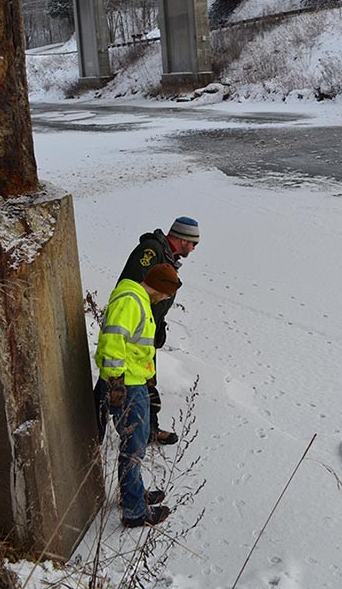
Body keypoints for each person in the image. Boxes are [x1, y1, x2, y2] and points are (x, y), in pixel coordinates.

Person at [94, 262, 182, 527]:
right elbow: (113, 340)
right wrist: (116, 384)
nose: (167, 298)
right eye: (167, 294)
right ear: (159, 288)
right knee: (133, 447)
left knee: (137, 442)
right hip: (126, 386)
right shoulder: (131, 301)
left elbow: (135, 346)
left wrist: (148, 381)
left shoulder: (139, 299)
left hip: (136, 382)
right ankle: (135, 512)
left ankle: (133, 494)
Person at [117, 216, 200, 445]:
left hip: (147, 332)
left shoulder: (166, 256)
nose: (194, 248)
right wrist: (142, 323)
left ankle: (149, 429)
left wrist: (157, 325)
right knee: (115, 385)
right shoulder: (151, 251)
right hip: (134, 333)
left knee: (146, 382)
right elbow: (134, 288)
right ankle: (96, 429)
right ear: (183, 239)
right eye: (194, 243)